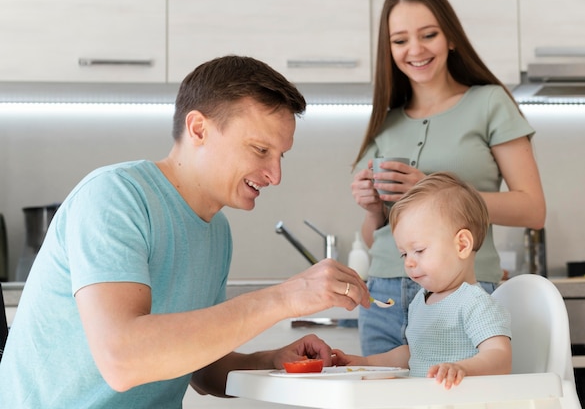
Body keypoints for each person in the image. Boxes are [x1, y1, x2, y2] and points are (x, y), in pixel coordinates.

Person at [0, 55, 369, 408]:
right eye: (260, 149)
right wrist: (285, 297)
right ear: (198, 129)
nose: (275, 175)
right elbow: (123, 359)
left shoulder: (216, 231)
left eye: (280, 156)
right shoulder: (114, 197)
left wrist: (272, 359)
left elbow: (200, 369)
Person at [351, 0, 545, 356]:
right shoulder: (385, 121)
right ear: (388, 48)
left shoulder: (490, 104)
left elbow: (533, 209)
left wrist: (430, 187)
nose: (415, 49)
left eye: (428, 34)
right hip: (383, 291)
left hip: (464, 289)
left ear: (451, 37)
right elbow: (374, 237)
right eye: (400, 40)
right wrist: (372, 209)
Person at [335, 172, 512, 389]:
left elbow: (500, 356)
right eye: (404, 254)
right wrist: (366, 363)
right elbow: (414, 353)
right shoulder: (421, 300)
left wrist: (464, 369)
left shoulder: (474, 302)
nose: (408, 263)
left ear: (462, 245)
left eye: (418, 250)